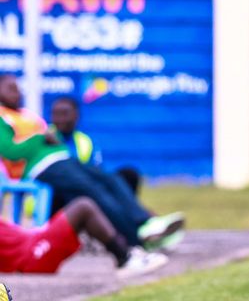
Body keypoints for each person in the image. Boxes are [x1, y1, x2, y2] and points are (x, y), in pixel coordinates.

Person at [0, 74, 183, 250]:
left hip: (61, 159)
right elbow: (10, 151)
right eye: (11, 89)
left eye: (18, 89)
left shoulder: (26, 115)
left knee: (111, 180)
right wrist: (40, 138)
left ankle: (146, 222)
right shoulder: (3, 117)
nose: (18, 93)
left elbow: (52, 141)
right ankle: (135, 238)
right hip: (38, 168)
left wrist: (52, 143)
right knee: (92, 192)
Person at [0, 197, 167, 277]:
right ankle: (125, 258)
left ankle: (130, 248)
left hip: (34, 239)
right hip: (31, 257)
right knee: (83, 207)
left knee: (83, 204)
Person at [50, 97, 142, 195]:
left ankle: (128, 209)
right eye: (55, 114)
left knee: (129, 175)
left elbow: (97, 171)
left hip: (84, 187)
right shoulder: (43, 138)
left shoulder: (86, 141)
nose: (59, 119)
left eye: (64, 114)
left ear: (76, 116)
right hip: (58, 191)